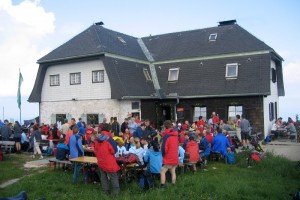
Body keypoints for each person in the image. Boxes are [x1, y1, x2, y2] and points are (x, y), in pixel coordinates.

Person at [94, 123, 120, 195]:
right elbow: (114, 150)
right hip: (109, 161)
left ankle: (105, 192)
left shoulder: (97, 140)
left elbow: (95, 151)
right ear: (109, 130)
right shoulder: (110, 140)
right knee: (113, 177)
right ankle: (115, 193)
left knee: (103, 177)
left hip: (101, 161)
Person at [160, 120, 179, 188]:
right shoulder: (176, 135)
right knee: (173, 170)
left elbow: (164, 148)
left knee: (162, 171)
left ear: (165, 127)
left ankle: (162, 186)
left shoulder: (166, 136)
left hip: (169, 156)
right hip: (175, 156)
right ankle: (173, 184)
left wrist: (163, 155)